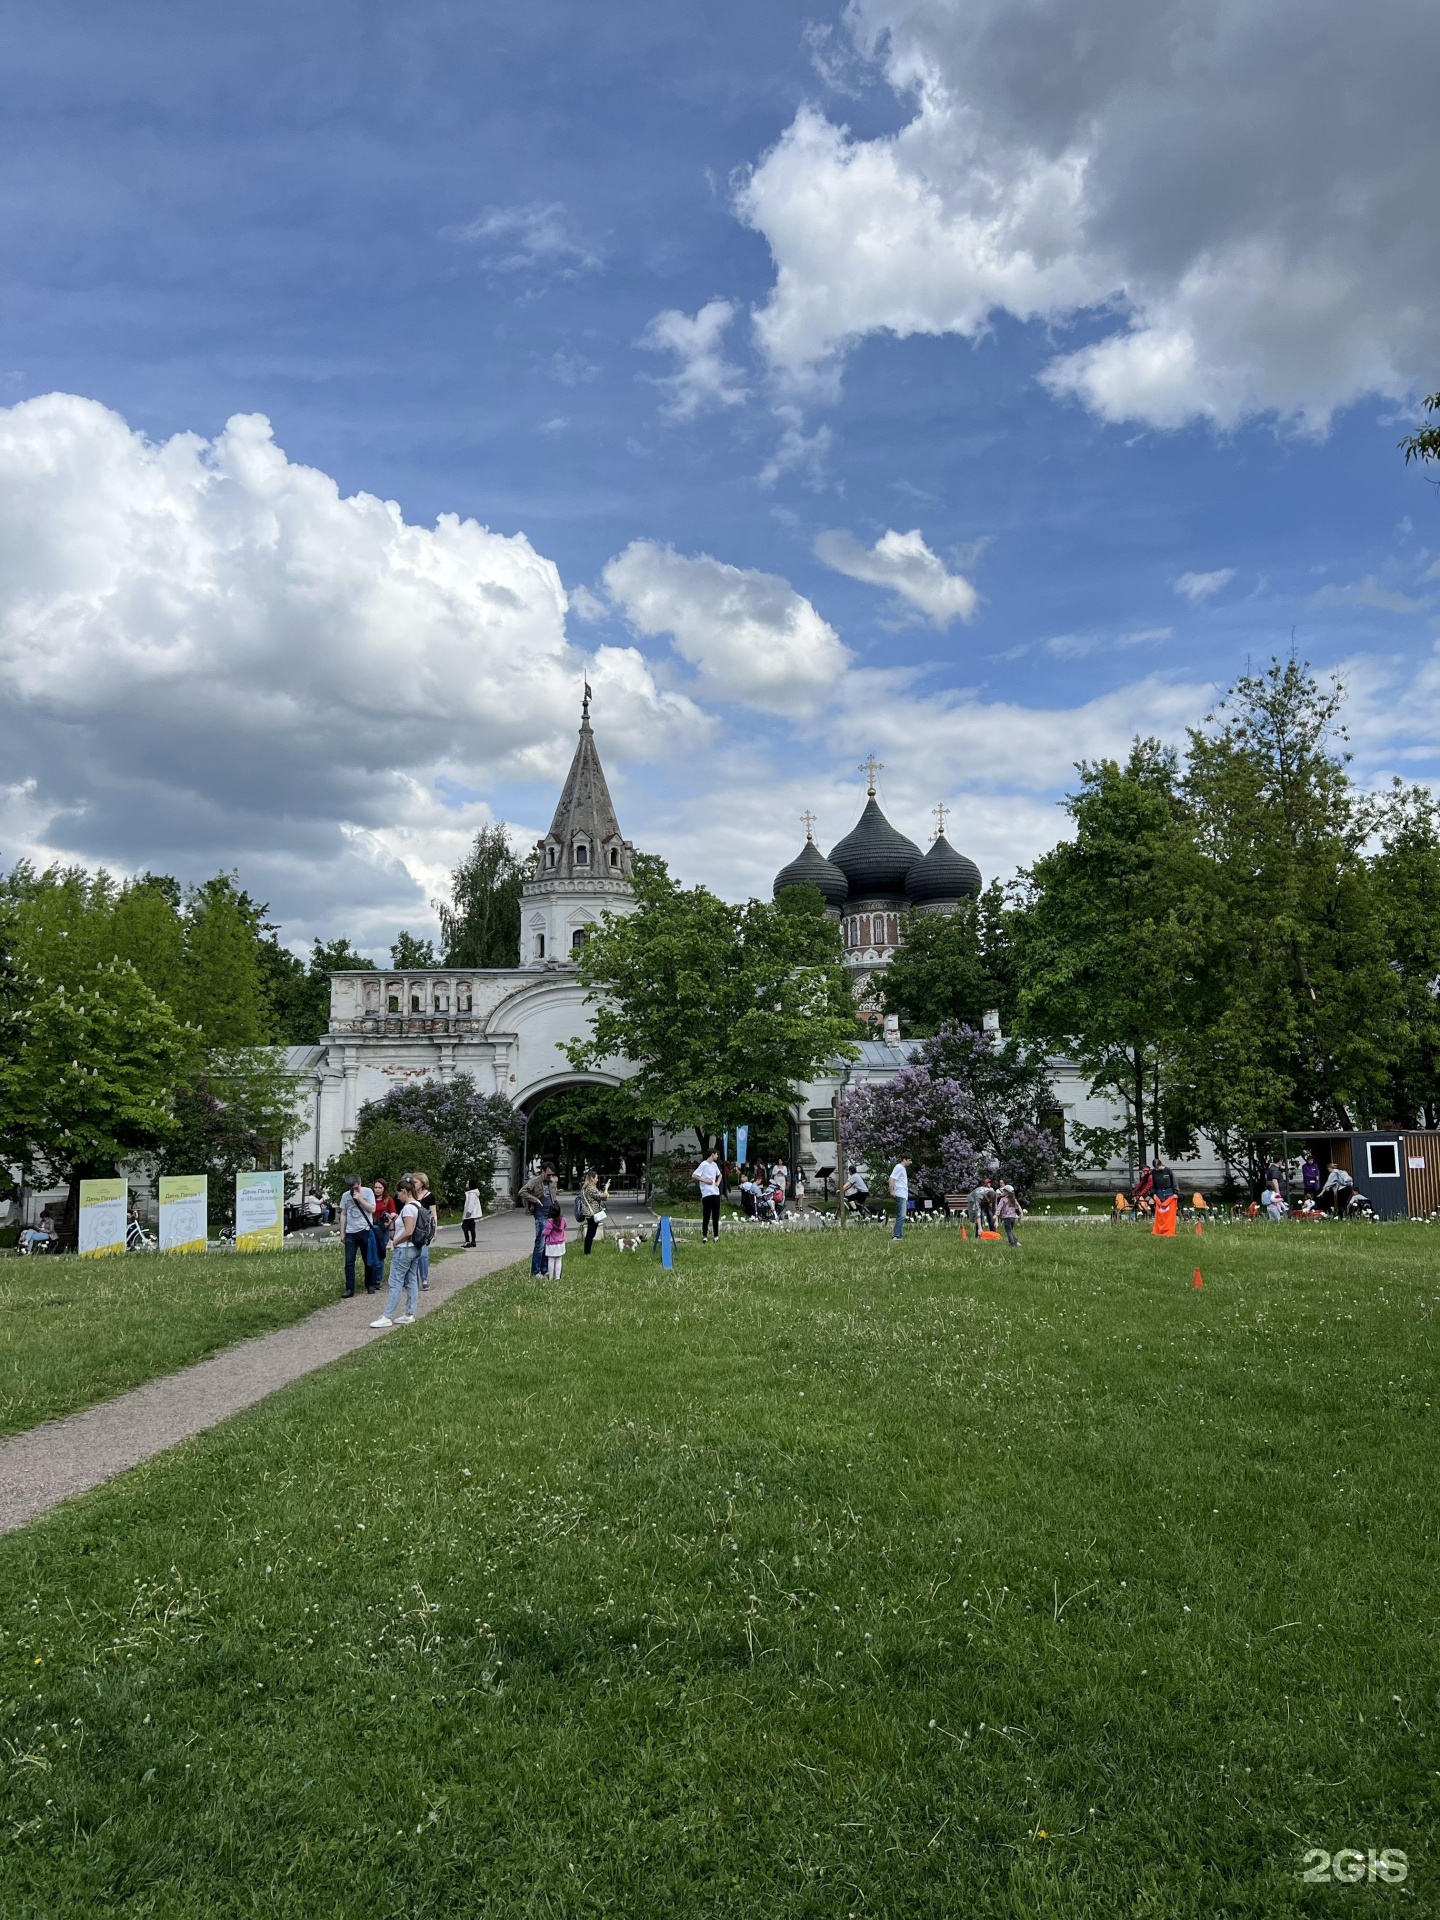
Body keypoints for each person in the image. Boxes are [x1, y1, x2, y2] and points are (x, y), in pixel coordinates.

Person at [371, 1177, 422, 1328]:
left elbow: (408, 1230)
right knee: (411, 1280)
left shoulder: (407, 1208)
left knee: (395, 1282)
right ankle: (409, 1313)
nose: (397, 1196)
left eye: (398, 1193)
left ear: (404, 1192)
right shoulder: (418, 1205)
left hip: (405, 1248)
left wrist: (395, 1242)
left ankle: (387, 1316)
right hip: (415, 1248)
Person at [340, 1177, 378, 1298]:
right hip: (351, 1231)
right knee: (349, 1262)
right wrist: (342, 1232)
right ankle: (349, 1288)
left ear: (360, 1184)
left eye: (356, 1187)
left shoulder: (368, 1192)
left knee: (368, 1259)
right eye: (351, 1188)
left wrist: (360, 1199)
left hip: (365, 1229)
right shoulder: (345, 1196)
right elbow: (343, 1213)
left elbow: (372, 1209)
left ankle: (369, 1284)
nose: (354, 1190)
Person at [517, 1164, 557, 1277]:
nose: (550, 1176)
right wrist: (535, 1200)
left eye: (552, 1174)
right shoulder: (535, 1181)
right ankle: (535, 1271)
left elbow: (553, 1197)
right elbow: (522, 1192)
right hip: (541, 1216)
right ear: (543, 1172)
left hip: (551, 1215)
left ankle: (544, 1270)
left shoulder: (551, 1182)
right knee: (540, 1244)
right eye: (548, 1174)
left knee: (548, 1244)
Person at [412, 1172, 438, 1289]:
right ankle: (414, 1279)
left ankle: (424, 1278)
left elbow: (433, 1214)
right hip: (412, 1228)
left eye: (415, 1182)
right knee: (413, 1255)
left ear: (422, 1183)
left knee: (423, 1255)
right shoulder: (410, 1195)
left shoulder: (430, 1196)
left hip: (424, 1229)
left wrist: (435, 1230)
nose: (413, 1184)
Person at [370, 1178, 397, 1283]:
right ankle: (371, 1277)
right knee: (371, 1252)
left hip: (383, 1229)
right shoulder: (370, 1199)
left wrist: (388, 1223)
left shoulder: (388, 1200)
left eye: (380, 1188)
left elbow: (393, 1213)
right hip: (372, 1227)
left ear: (384, 1188)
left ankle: (378, 1279)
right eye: (376, 1187)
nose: (377, 1190)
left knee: (381, 1252)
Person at [692, 1148, 722, 1241]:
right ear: (712, 1155)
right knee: (706, 1215)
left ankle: (716, 1236)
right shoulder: (704, 1164)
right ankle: (705, 1235)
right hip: (707, 1193)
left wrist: (717, 1182)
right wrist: (705, 1180)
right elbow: (694, 1175)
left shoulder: (714, 1165)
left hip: (715, 1192)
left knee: (716, 1215)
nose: (717, 1156)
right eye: (716, 1154)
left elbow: (720, 1174)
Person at [577, 1172, 608, 1253]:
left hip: (589, 1213)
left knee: (591, 1233)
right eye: (596, 1178)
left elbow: (596, 1196)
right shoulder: (591, 1188)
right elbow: (603, 1197)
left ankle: (587, 1251)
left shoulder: (585, 1188)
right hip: (592, 1214)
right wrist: (607, 1188)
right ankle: (587, 1252)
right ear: (592, 1178)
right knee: (590, 1234)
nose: (597, 1180)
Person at [888, 1155, 911, 1242]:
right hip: (900, 1194)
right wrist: (892, 1191)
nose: (910, 1162)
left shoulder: (902, 1169)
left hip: (903, 1194)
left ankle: (900, 1235)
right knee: (902, 1216)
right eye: (909, 1160)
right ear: (904, 1159)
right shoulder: (899, 1167)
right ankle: (896, 1236)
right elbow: (891, 1179)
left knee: (900, 1216)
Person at [542, 1202, 568, 1280]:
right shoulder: (563, 1219)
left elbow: (547, 1232)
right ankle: (557, 1277)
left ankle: (550, 1277)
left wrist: (542, 1232)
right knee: (559, 1260)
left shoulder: (550, 1222)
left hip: (551, 1244)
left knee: (551, 1260)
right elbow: (565, 1226)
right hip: (560, 1243)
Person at [996, 1182, 1022, 1246]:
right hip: (1013, 1217)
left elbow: (999, 1208)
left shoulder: (1003, 1199)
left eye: (1004, 1191)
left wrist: (996, 1215)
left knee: (1008, 1231)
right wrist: (1021, 1214)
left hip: (1006, 1217)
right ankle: (1016, 1242)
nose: (1002, 1193)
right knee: (1010, 1230)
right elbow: (1018, 1207)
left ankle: (1012, 1243)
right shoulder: (1013, 1200)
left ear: (1007, 1192)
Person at [462, 1181, 483, 1248]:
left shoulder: (472, 1194)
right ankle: (473, 1241)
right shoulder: (473, 1193)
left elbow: (471, 1204)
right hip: (472, 1213)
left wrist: (468, 1212)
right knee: (472, 1227)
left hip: (470, 1213)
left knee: (464, 1226)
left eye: (468, 1183)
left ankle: (467, 1241)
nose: (466, 1184)